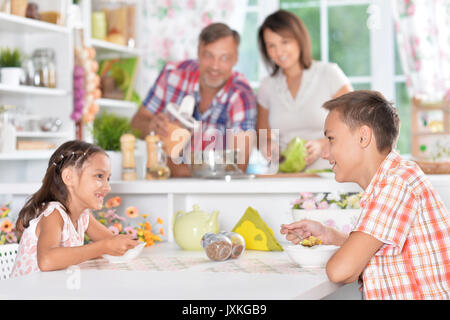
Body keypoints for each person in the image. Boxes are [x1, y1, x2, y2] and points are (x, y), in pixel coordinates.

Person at [281, 90, 450, 300]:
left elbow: (341, 270)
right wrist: (329, 235)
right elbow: (380, 252)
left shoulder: (397, 183)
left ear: (363, 136)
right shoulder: (391, 181)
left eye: (331, 139)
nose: (325, 154)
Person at [131, 23, 257, 177]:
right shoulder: (173, 75)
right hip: (165, 185)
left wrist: (170, 167)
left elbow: (238, 166)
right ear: (198, 53)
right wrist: (151, 126)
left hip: (215, 191)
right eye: (208, 55)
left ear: (235, 60)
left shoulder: (242, 95)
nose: (215, 66)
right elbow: (136, 123)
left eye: (224, 58)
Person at [10, 140, 139, 277]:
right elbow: (46, 261)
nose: (107, 187)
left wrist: (124, 245)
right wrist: (103, 247)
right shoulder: (54, 213)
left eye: (108, 178)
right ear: (69, 177)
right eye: (99, 176)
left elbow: (111, 242)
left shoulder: (83, 216)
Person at [257, 10, 352, 170]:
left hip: (330, 172)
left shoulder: (329, 74)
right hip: (284, 175)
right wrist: (269, 147)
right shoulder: (267, 86)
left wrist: (322, 144)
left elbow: (353, 125)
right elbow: (263, 136)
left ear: (299, 39)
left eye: (285, 42)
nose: (279, 52)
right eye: (271, 45)